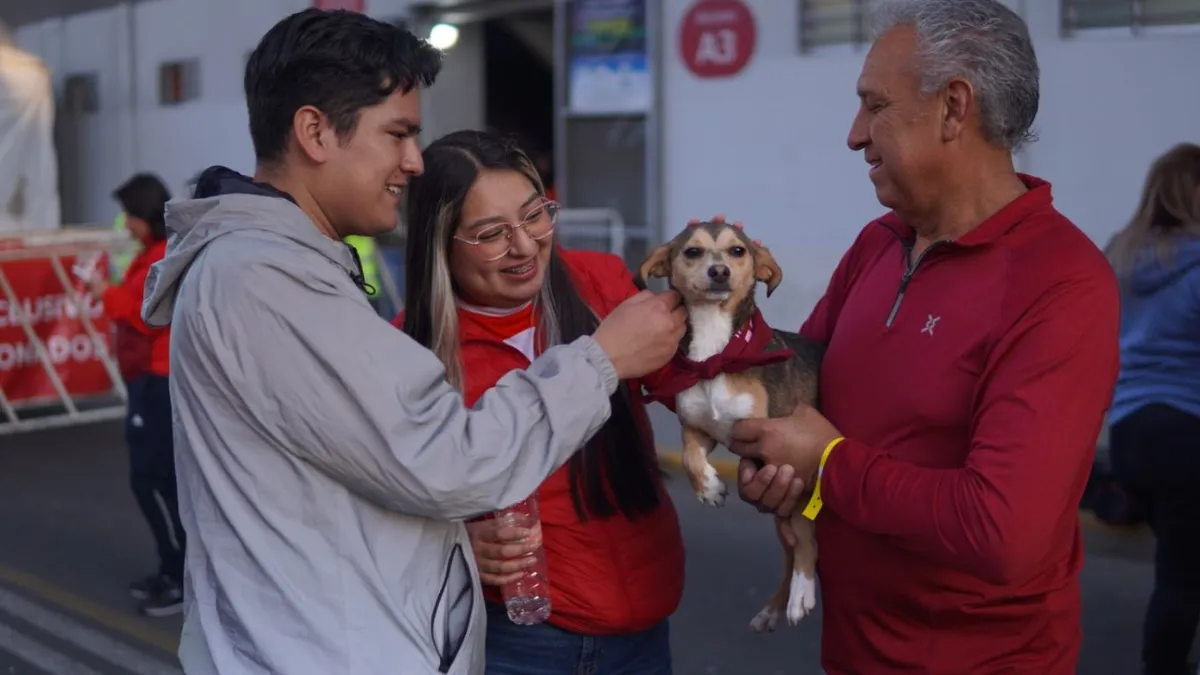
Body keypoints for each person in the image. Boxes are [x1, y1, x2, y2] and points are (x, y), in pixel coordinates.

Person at [137, 10, 685, 675]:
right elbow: (449, 460)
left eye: (534, 215)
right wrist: (602, 360)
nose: (412, 161)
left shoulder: (282, 272)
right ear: (313, 130)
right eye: (396, 134)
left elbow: (370, 480)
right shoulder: (266, 282)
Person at [722, 1, 1121, 673]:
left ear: (954, 108)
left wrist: (829, 463)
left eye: (875, 106)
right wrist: (776, 462)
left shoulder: (1061, 282)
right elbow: (795, 400)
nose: (854, 134)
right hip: (853, 652)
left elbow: (1002, 532)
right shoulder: (878, 245)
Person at [395, 130, 683, 675]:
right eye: (491, 234)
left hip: (648, 624)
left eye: (534, 215)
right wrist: (452, 544)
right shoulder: (410, 354)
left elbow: (694, 383)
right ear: (439, 242)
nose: (525, 245)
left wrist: (719, 286)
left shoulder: (599, 284)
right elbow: (373, 505)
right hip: (521, 642)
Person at [1105, 142, 1200, 675]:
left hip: (1129, 435)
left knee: (1180, 569)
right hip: (1187, 431)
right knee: (1182, 579)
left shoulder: (1117, 256)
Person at [88, 172, 184, 617]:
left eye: (129, 214)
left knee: (153, 479)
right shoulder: (154, 254)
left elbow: (145, 314)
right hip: (148, 378)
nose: (124, 224)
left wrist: (103, 293)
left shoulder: (162, 257)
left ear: (146, 217)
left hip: (157, 378)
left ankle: (180, 573)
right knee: (156, 479)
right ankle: (174, 569)